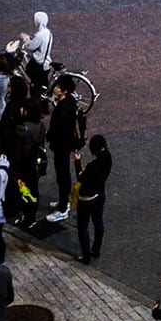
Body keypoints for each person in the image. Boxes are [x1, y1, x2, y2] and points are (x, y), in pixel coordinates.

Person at [44, 76, 84, 223]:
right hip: (65, 145)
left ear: (64, 90)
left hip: (62, 146)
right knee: (63, 174)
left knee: (63, 175)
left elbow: (59, 130)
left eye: (58, 87)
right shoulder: (70, 102)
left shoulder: (63, 109)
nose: (55, 88)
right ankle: (64, 200)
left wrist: (50, 136)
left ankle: (63, 208)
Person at [75, 134, 112, 263]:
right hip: (99, 194)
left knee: (83, 226)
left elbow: (80, 178)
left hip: (86, 198)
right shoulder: (108, 159)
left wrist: (77, 162)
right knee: (98, 222)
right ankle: (96, 249)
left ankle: (85, 256)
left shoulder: (92, 167)